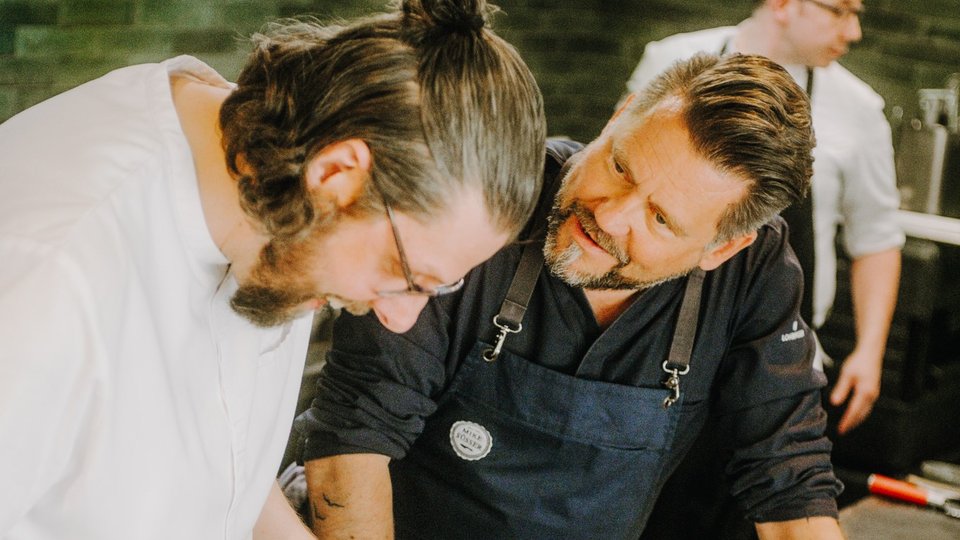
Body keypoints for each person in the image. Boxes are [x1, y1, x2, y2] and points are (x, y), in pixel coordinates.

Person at [0, 0, 546, 538]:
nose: (401, 319)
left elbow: (215, 457)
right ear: (337, 172)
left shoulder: (283, 204)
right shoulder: (43, 277)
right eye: (406, 276)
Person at [295, 53, 845, 539]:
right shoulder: (489, 197)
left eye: (659, 218)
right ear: (617, 116)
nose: (608, 213)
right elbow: (355, 436)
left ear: (720, 249)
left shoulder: (752, 274)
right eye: (620, 165)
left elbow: (788, 479)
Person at [624, 0, 904, 437]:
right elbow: (621, 172)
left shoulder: (860, 110)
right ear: (783, 4)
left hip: (777, 352)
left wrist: (869, 352)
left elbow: (876, 239)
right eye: (840, 12)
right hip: (651, 330)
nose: (854, 33)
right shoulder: (672, 60)